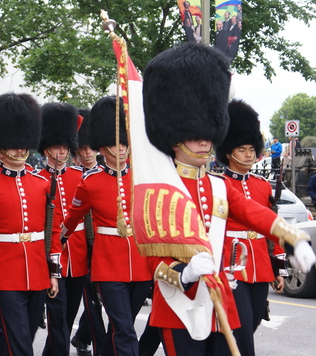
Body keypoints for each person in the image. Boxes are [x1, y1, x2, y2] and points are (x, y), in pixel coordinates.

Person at [141, 43, 315, 356]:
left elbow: (254, 213)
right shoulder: (160, 188)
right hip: (179, 303)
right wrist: (186, 272)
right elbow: (152, 254)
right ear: (175, 135)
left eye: (209, 130)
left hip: (221, 299)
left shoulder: (219, 186)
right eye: (196, 133)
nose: (205, 139)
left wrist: (294, 238)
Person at [0, 93, 61, 356]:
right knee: (20, 344)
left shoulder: (41, 183)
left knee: (22, 339)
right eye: (14, 145)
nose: (21, 150)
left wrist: (53, 272)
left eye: (24, 145)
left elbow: (51, 231)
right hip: (4, 272)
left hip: (38, 270)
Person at [61, 96, 152, 356]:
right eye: (115, 143)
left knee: (122, 327)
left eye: (124, 142)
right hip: (108, 265)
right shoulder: (90, 182)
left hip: (141, 261)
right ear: (103, 147)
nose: (121, 148)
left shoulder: (143, 177)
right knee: (124, 329)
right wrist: (58, 242)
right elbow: (73, 218)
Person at [215, 99, 286, 356]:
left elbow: (271, 229)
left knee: (253, 320)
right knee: (241, 327)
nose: (249, 154)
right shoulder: (218, 184)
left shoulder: (262, 185)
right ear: (227, 152)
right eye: (242, 149)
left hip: (260, 264)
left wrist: (279, 269)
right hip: (230, 262)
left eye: (251, 149)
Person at [37, 103, 88, 356]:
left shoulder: (80, 176)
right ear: (46, 149)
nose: (63, 151)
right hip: (51, 255)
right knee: (56, 317)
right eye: (58, 147)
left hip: (77, 257)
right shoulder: (37, 179)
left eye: (66, 147)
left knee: (68, 316)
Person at [70, 108, 106, 356]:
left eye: (89, 148)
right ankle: (100, 345)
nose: (86, 153)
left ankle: (82, 335)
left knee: (101, 299)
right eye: (81, 149)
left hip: (104, 243)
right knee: (91, 298)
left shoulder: (106, 173)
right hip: (83, 245)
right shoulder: (75, 176)